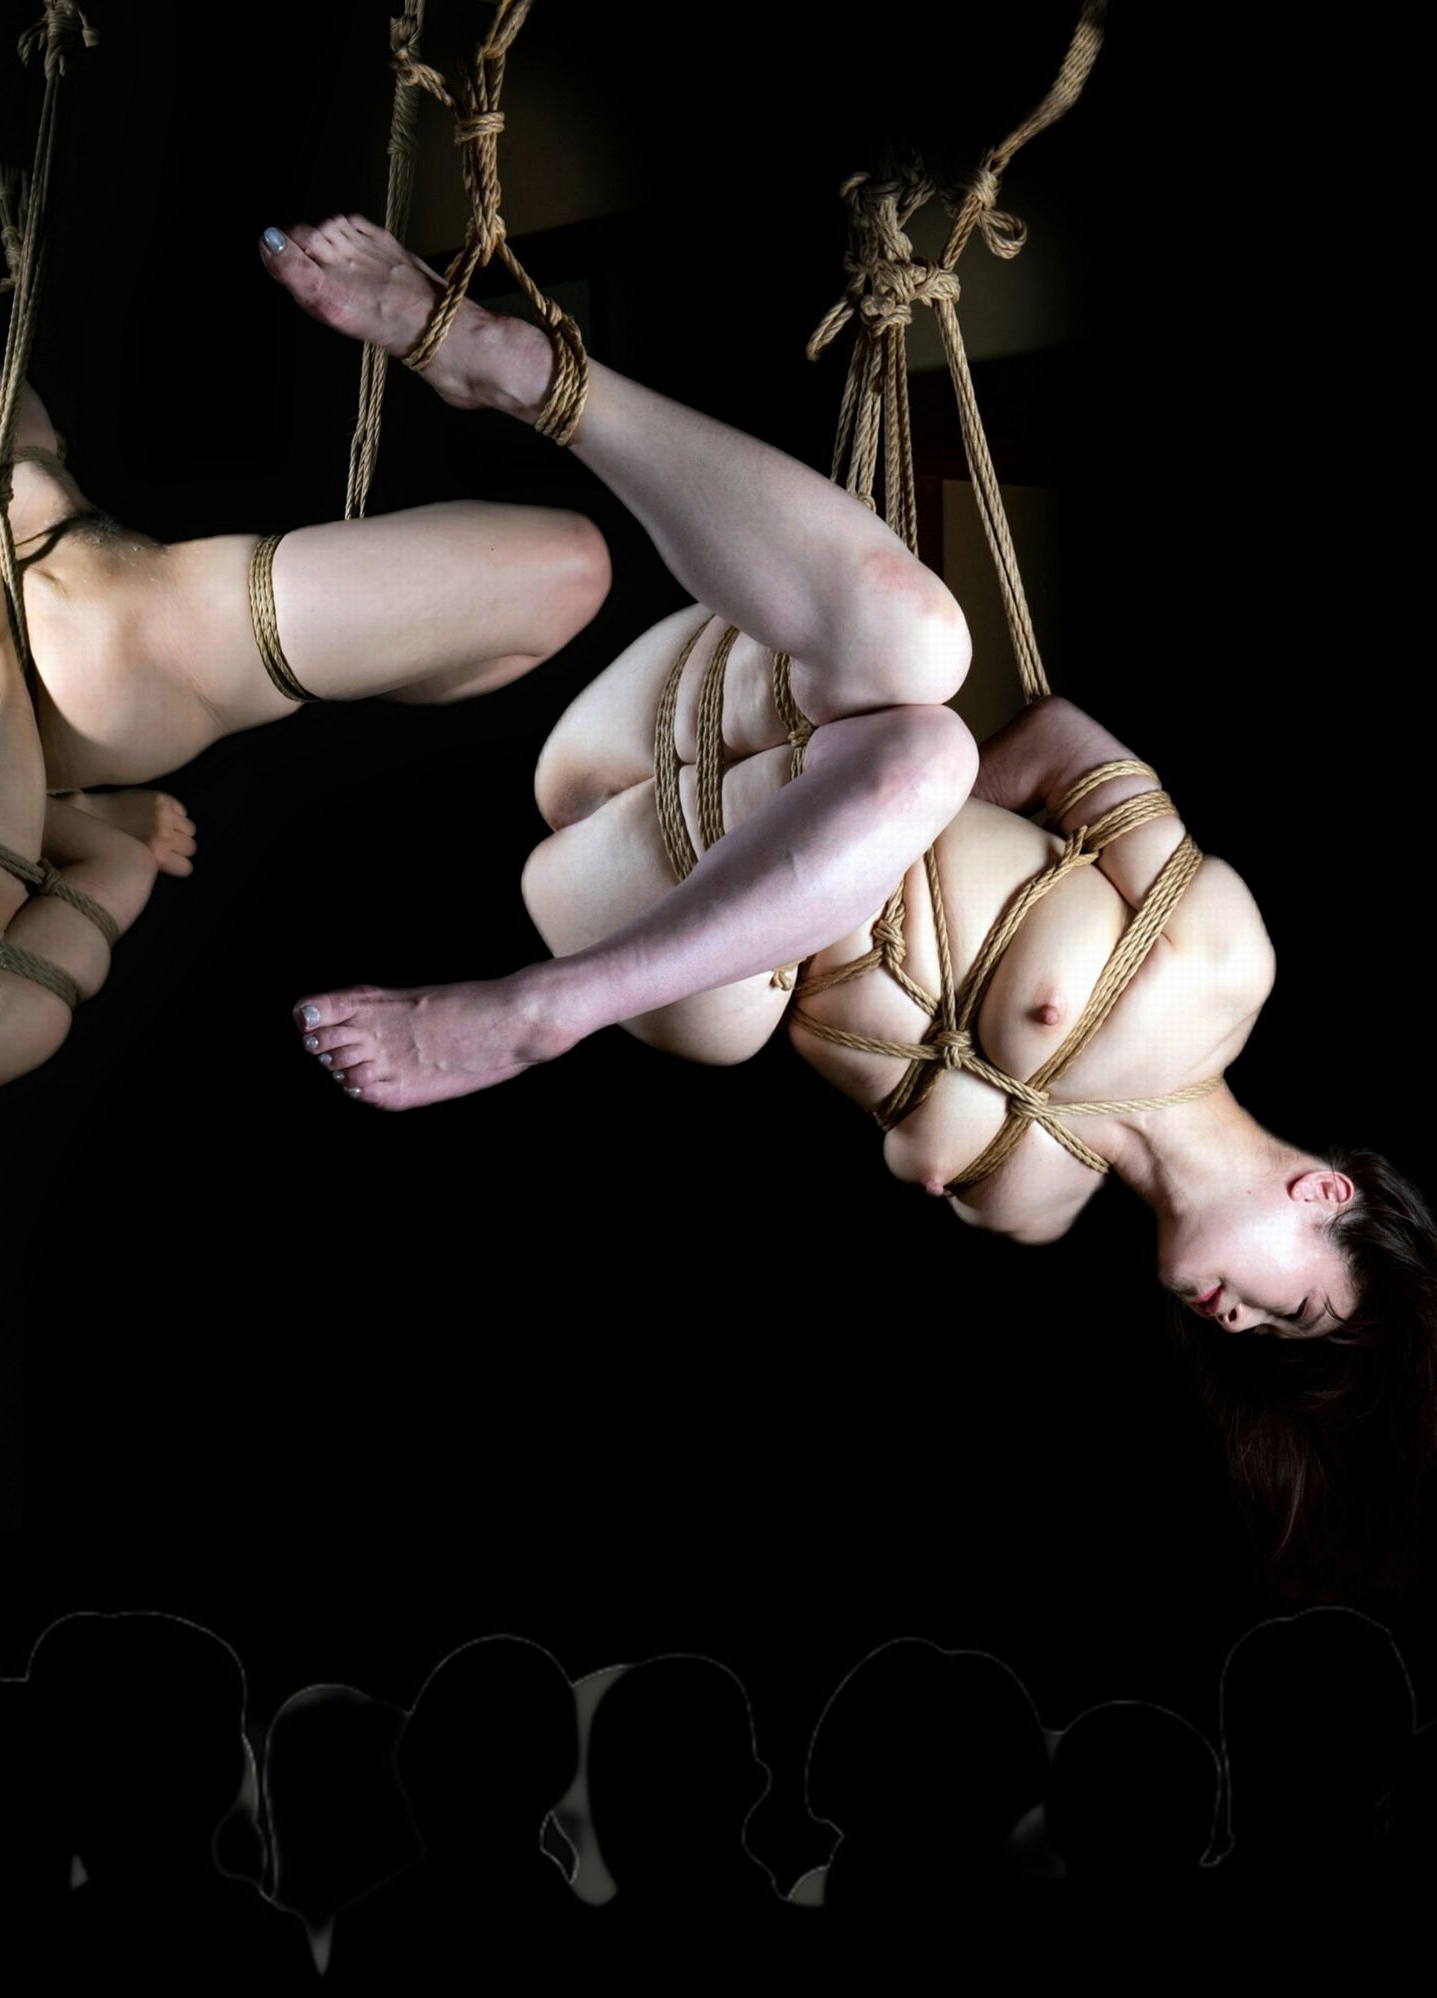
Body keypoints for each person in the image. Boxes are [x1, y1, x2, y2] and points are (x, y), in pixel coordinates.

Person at [263, 212, 1433, 1590]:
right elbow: (1056, 739)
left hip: (641, 918)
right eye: (1290, 1311)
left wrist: (879, 826)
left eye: (1249, 1342)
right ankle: (512, 366)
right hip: (698, 723)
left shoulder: (1025, 1213)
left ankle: (547, 1004)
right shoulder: (1218, 964)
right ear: (1321, 1194)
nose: (1235, 1321)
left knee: (908, 748)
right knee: (922, 680)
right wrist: (886, 809)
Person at [0, 332, 610, 1365]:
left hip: (2, 541)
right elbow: (120, 868)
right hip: (118, 665)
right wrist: (91, 819)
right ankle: (364, 672)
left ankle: (379, 661)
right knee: (567, 572)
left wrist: (38, 814)